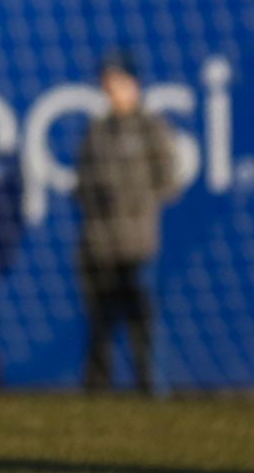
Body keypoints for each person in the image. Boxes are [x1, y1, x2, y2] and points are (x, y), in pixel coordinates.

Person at [74, 53, 177, 395]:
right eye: (107, 82)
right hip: (98, 241)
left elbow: (168, 180)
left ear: (133, 84)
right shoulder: (97, 130)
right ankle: (96, 385)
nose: (110, 89)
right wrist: (93, 196)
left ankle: (148, 383)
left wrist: (134, 202)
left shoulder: (151, 128)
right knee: (99, 319)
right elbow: (82, 180)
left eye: (117, 81)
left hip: (136, 243)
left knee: (139, 319)